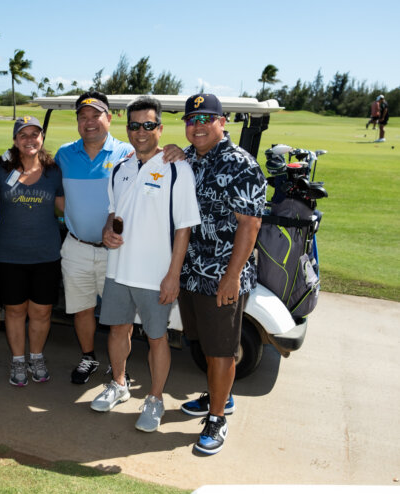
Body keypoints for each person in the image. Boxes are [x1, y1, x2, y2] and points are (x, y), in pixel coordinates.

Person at [90, 97, 200, 434]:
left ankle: (154, 399)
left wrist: (173, 275)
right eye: (135, 125)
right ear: (128, 129)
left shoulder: (177, 168)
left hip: (156, 274)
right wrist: (107, 230)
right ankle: (119, 383)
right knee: (117, 330)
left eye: (149, 125)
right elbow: (114, 211)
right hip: (118, 269)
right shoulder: (120, 168)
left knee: (156, 338)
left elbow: (184, 227)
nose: (141, 131)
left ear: (160, 128)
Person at [177, 94, 266, 455]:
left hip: (221, 277)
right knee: (202, 343)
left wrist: (232, 277)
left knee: (221, 351)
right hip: (190, 272)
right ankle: (219, 396)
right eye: (192, 120)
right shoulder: (187, 159)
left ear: (222, 122)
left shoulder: (240, 164)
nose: (197, 126)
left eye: (206, 119)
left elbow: (250, 224)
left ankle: (217, 418)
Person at [54, 92, 133, 385]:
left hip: (117, 251)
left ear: (109, 118)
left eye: (96, 116)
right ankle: (88, 357)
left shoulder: (127, 152)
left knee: (120, 315)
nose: (89, 122)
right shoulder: (64, 154)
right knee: (82, 308)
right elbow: (58, 197)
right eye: (83, 117)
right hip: (77, 247)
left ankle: (118, 366)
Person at [0, 116, 65, 387]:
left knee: (42, 312)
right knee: (14, 311)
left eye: (35, 134)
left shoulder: (53, 172)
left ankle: (36, 357)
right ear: (15, 140)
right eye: (23, 135)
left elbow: (65, 208)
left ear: (42, 138)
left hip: (46, 254)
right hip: (8, 254)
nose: (30, 139)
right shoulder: (0, 170)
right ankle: (18, 360)